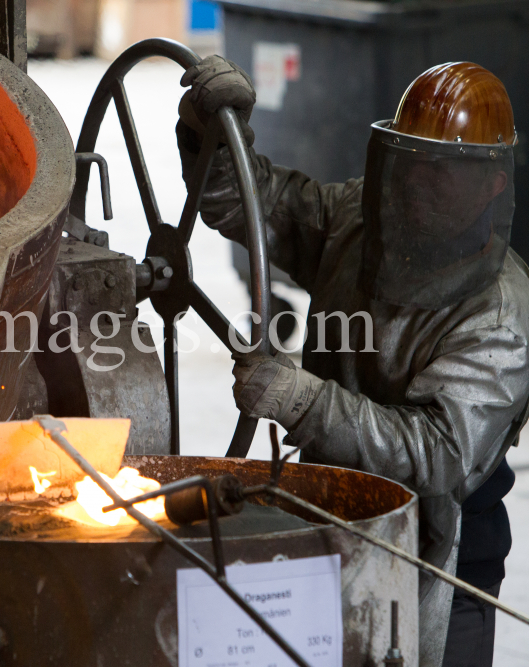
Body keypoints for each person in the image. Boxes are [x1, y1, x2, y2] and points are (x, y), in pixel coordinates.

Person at [177, 58, 527, 667]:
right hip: (329, 512)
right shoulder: (363, 221)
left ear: (492, 182)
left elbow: (439, 455)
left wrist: (302, 400)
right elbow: (255, 207)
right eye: (410, 162)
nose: (418, 183)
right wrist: (212, 132)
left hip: (439, 550)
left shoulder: (501, 313)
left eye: (442, 171)